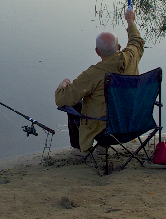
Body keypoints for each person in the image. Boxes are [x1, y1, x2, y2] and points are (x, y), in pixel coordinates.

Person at [54, 9, 144, 152]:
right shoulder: (131, 57)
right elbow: (137, 42)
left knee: (75, 104)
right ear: (119, 47)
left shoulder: (93, 74)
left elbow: (63, 100)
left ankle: (79, 150)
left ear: (97, 51)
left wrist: (62, 86)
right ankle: (102, 148)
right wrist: (130, 21)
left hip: (106, 131)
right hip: (134, 124)